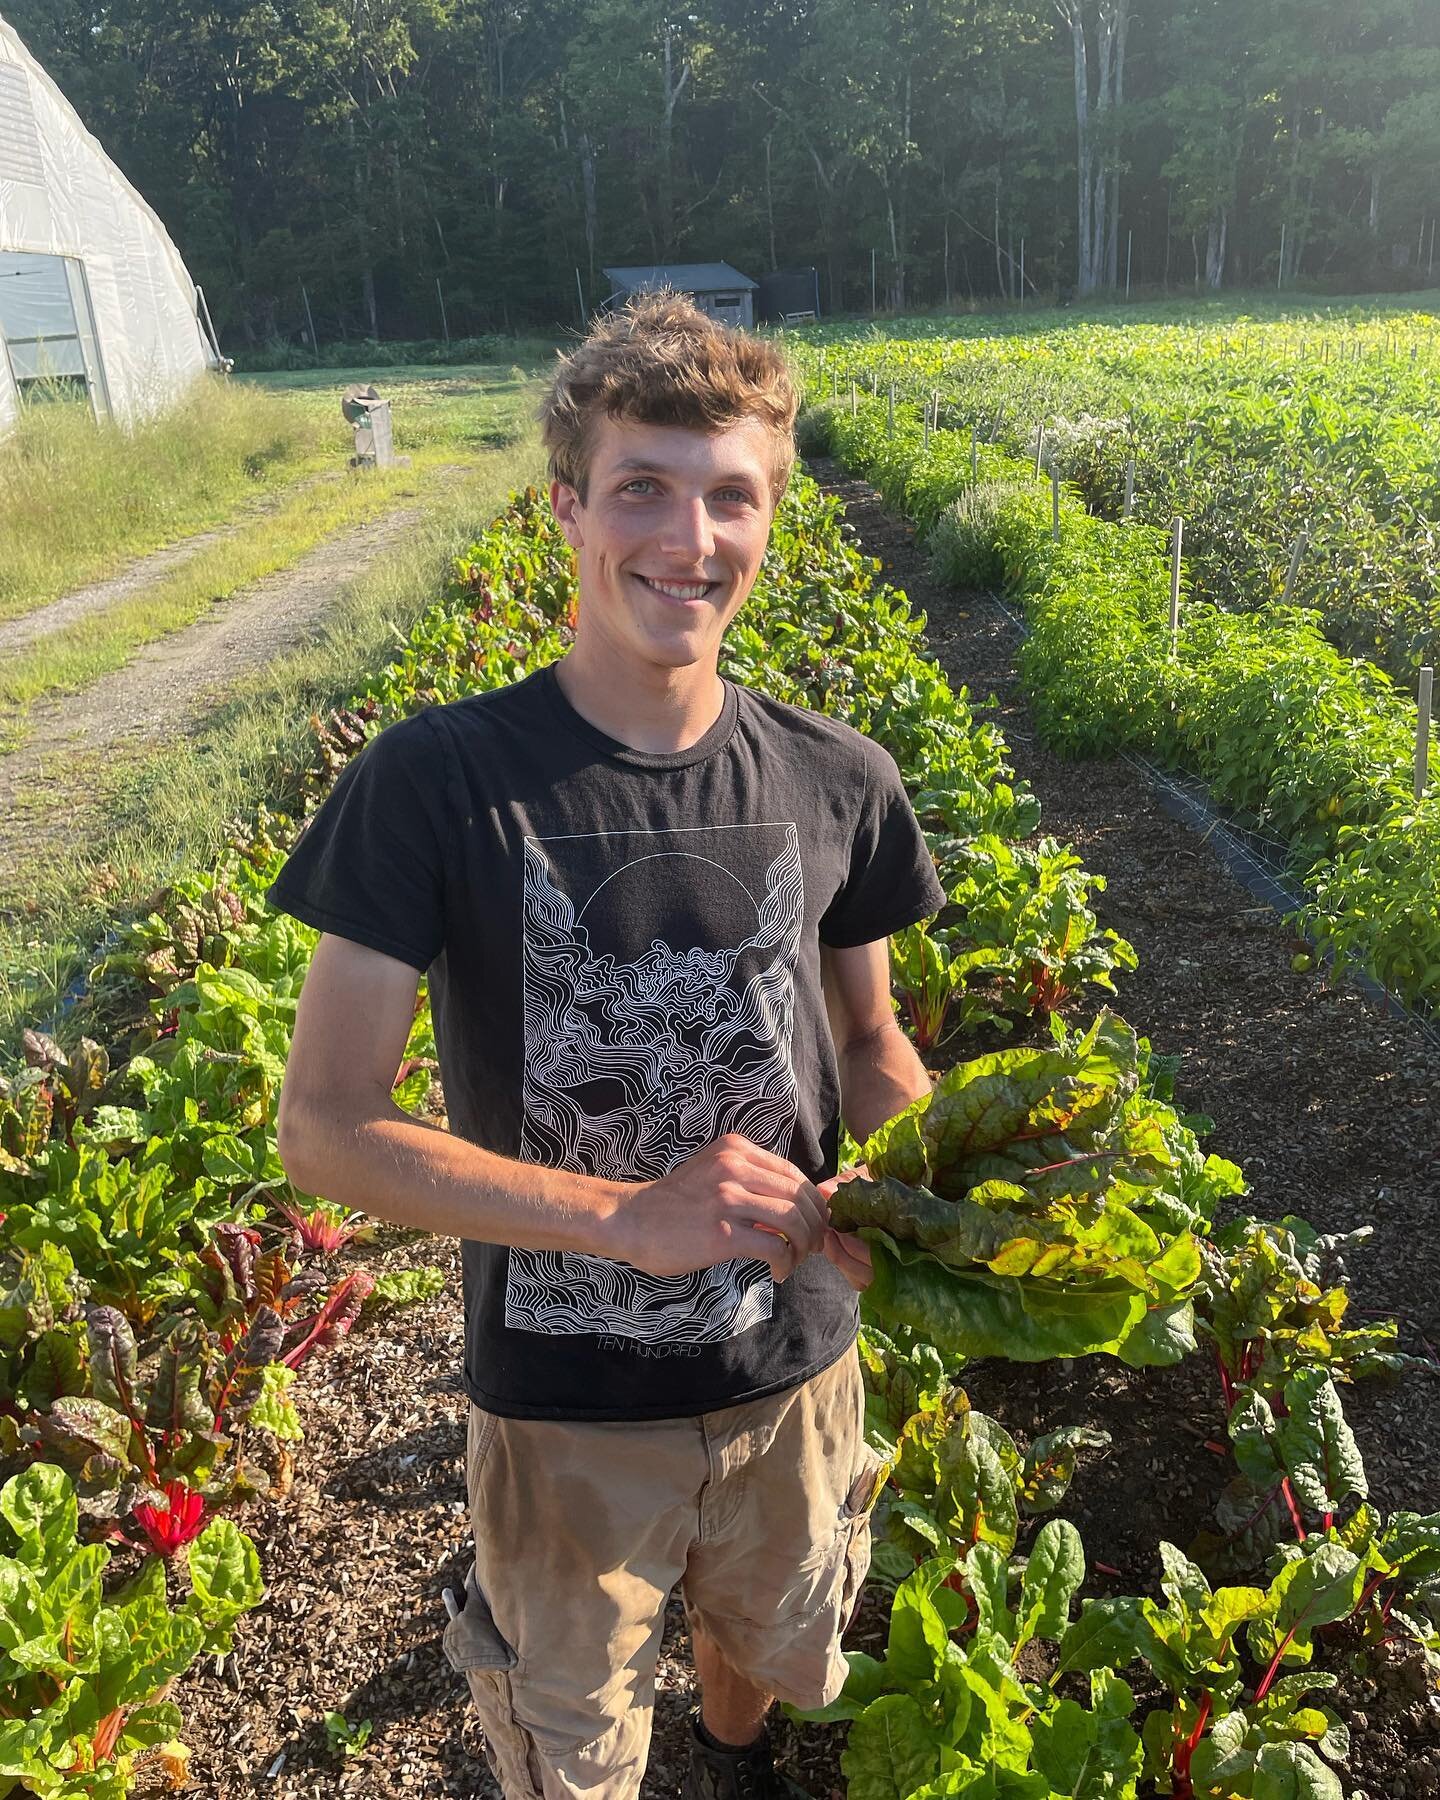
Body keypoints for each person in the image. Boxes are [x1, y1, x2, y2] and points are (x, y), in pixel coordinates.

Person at [269, 290, 945, 1800]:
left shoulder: (842, 777)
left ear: (774, 517)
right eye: (642, 486)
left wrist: (926, 1195)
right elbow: (322, 1125)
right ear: (567, 504)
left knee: (767, 1647)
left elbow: (874, 1038)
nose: (685, 538)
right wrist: (619, 1218)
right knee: (569, 1735)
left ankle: (731, 1750)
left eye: (730, 496)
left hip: (793, 1370)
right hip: (565, 1408)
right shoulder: (436, 783)